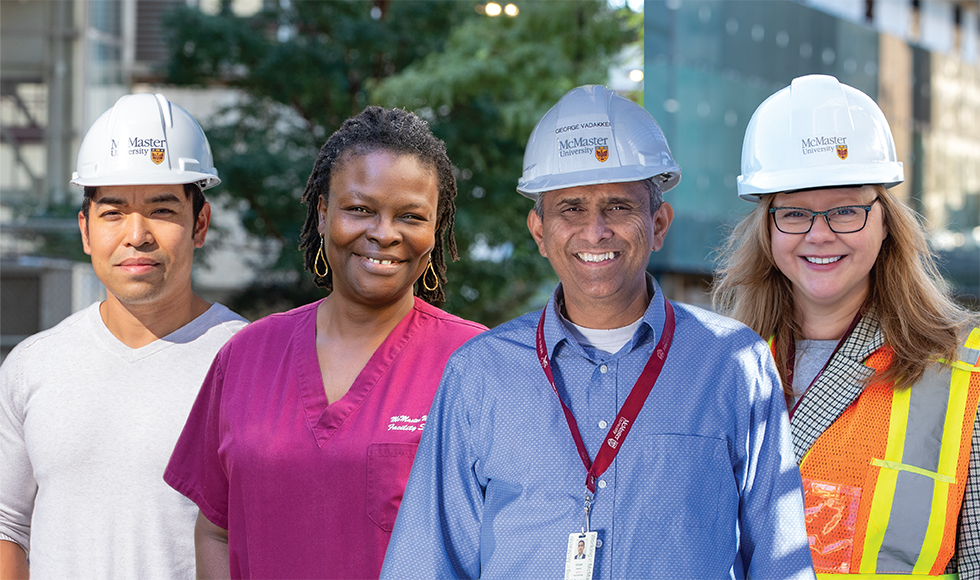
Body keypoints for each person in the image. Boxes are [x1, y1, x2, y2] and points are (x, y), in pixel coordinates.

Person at [381, 85, 814, 579]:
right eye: (570, 209)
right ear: (539, 232)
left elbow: (781, 562)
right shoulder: (479, 374)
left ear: (659, 223)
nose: (595, 231)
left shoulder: (734, 363)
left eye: (618, 207)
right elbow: (427, 564)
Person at [164, 106, 486, 579]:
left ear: (436, 230)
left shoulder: (474, 366)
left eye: (411, 216)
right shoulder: (246, 356)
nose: (384, 233)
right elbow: (216, 529)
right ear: (322, 213)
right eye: (360, 209)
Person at [712, 74, 980, 577]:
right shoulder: (721, 368)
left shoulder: (965, 372)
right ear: (768, 229)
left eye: (846, 210)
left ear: (885, 222)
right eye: (793, 213)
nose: (819, 235)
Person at [0, 93, 247, 578]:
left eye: (161, 210)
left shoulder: (249, 359)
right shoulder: (33, 366)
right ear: (86, 230)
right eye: (113, 212)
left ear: (200, 223)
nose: (137, 234)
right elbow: (8, 527)